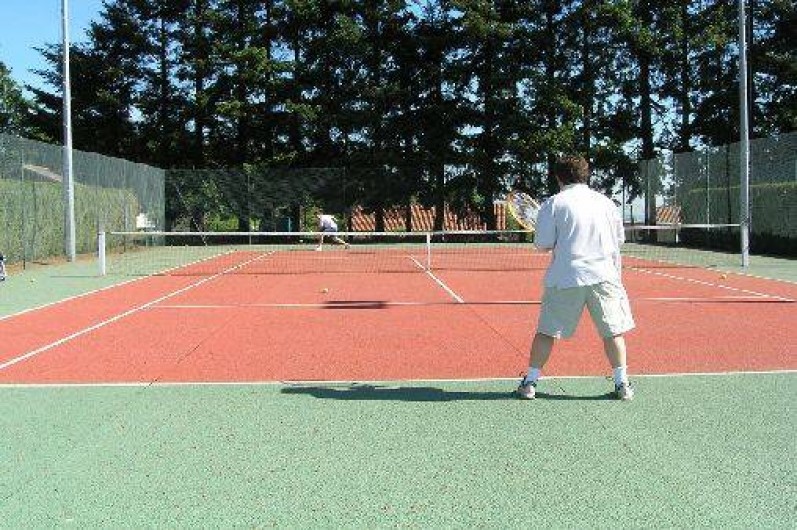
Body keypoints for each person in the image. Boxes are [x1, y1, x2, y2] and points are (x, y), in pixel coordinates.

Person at [516, 156, 635, 401]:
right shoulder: (606, 203)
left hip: (566, 278)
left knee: (547, 332)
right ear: (585, 175)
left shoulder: (554, 203)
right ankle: (622, 384)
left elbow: (543, 244)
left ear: (559, 177)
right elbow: (619, 240)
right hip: (605, 277)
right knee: (613, 333)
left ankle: (530, 383)